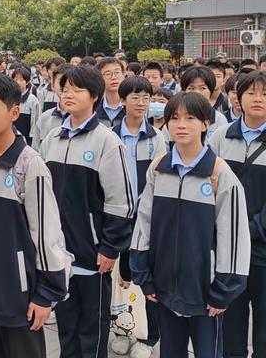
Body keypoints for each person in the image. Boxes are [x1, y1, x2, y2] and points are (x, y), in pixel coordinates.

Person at [130, 92, 250, 358]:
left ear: (206, 124)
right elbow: (144, 223)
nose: (181, 125)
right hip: (164, 289)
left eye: (190, 118)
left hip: (205, 293)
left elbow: (234, 236)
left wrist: (223, 290)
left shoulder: (219, 174)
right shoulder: (159, 169)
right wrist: (144, 275)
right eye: (174, 118)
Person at [0, 73, 69, 358]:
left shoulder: (30, 166)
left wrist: (45, 295)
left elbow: (47, 236)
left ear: (14, 113)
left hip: (18, 296)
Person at [40, 65, 133, 358]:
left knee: (92, 330)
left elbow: (121, 202)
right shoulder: (52, 139)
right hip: (59, 254)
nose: (68, 94)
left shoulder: (107, 142)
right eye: (65, 88)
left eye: (76, 89)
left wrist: (109, 247)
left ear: (94, 96)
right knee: (66, 327)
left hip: (92, 256)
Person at [209, 71, 266, 358]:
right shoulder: (220, 137)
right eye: (251, 92)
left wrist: (249, 231)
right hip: (227, 252)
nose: (258, 99)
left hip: (263, 252)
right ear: (238, 97)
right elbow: (208, 188)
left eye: (265, 94)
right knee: (230, 327)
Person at [110, 76, 166, 358]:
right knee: (120, 278)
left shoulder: (157, 139)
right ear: (122, 101)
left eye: (146, 97)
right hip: (118, 216)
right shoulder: (111, 135)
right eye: (135, 97)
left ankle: (149, 335)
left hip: (147, 219)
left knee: (147, 277)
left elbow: (161, 183)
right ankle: (122, 329)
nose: (142, 103)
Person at [163, 65, 228, 148]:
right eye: (191, 88)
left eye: (203, 88)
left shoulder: (219, 120)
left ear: (210, 90)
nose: (197, 92)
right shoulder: (173, 119)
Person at [31, 64, 71, 151]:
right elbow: (36, 151)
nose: (64, 86)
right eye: (60, 81)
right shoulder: (44, 118)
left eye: (69, 82)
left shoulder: (81, 118)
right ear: (52, 86)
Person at [12, 66, 41, 146]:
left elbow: (36, 123)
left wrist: (32, 141)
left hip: (26, 142)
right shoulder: (8, 98)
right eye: (16, 79)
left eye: (21, 80)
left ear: (27, 81)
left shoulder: (32, 100)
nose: (18, 82)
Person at [95, 57, 126, 128]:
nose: (114, 77)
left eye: (117, 73)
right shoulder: (93, 107)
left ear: (123, 75)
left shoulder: (132, 106)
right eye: (108, 74)